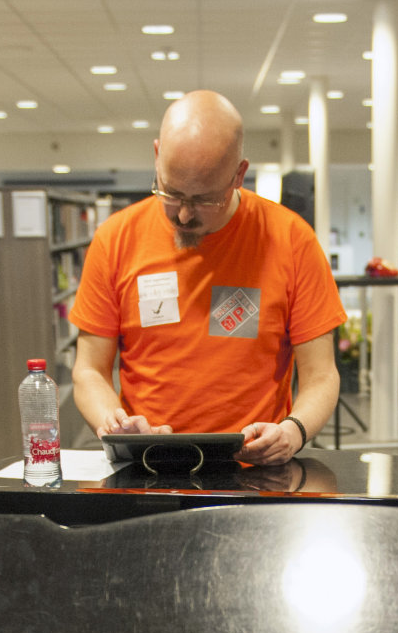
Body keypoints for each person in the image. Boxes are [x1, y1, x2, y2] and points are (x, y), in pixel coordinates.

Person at [69, 91, 346, 465]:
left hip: (253, 472)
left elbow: (321, 376)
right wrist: (112, 421)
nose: (183, 215)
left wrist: (293, 431)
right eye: (171, 192)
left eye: (203, 200)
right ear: (156, 155)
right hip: (147, 466)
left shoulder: (291, 240)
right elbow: (88, 371)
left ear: (238, 175)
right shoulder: (115, 239)